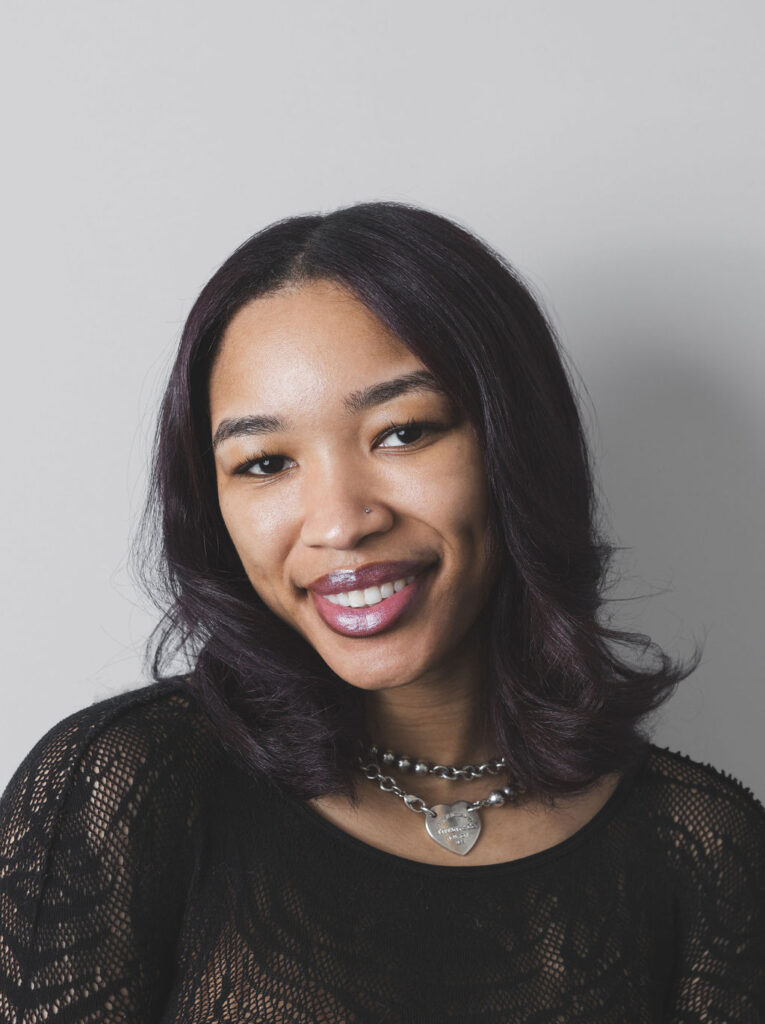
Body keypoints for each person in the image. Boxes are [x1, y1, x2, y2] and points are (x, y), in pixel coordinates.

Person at [0, 201, 762, 1021]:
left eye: (401, 433)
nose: (338, 521)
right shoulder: (127, 789)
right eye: (263, 462)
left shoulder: (705, 849)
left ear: (515, 443)